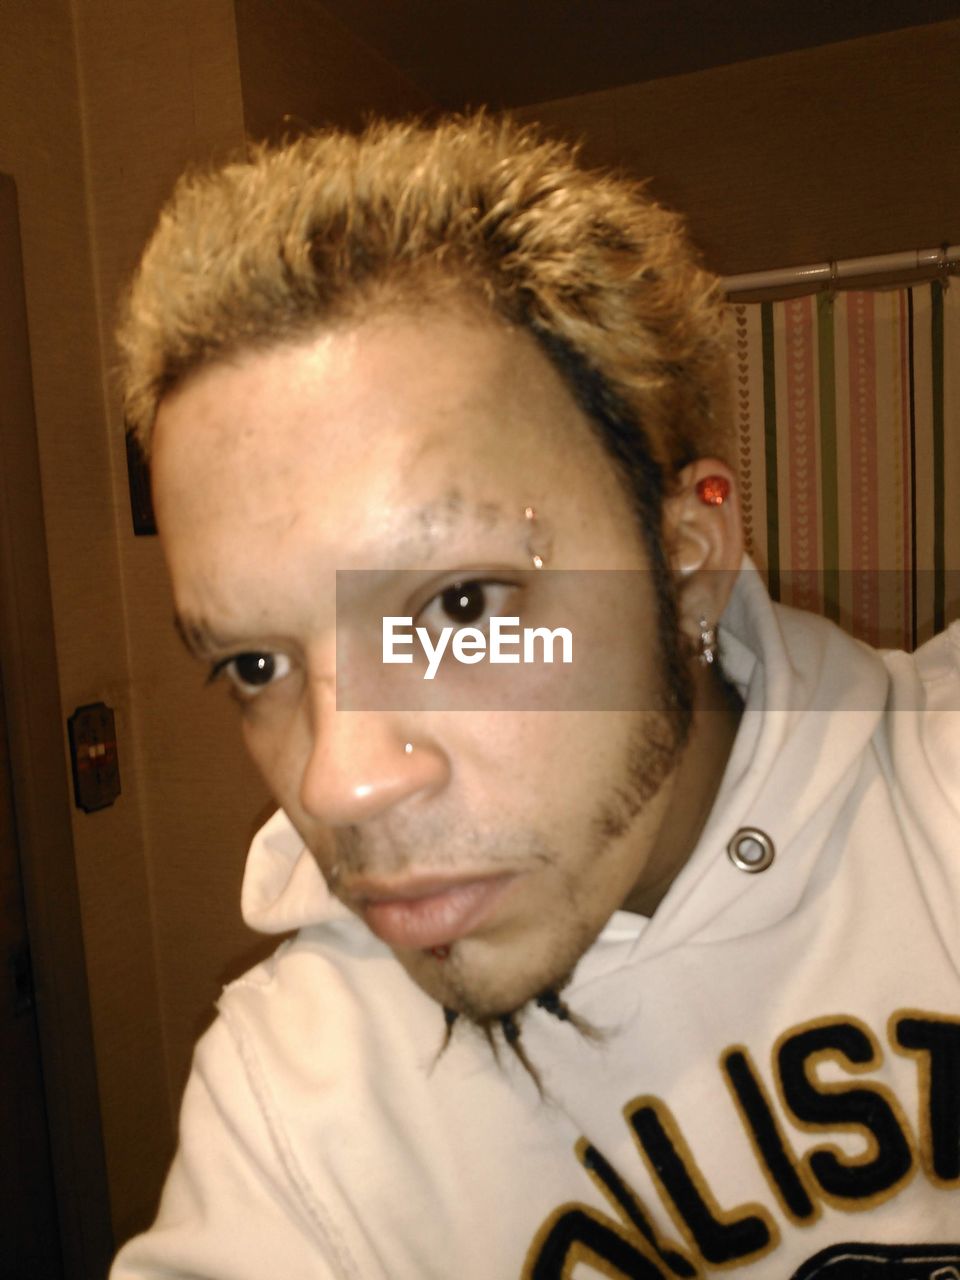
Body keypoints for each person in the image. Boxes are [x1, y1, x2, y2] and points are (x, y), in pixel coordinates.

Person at [111, 115, 960, 1279]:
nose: (339, 781)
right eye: (254, 665)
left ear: (690, 557)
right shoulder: (298, 1103)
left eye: (460, 604)